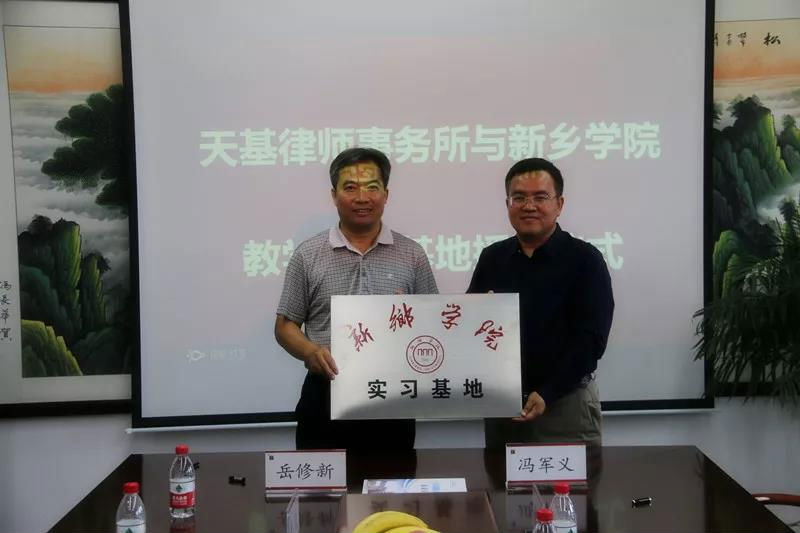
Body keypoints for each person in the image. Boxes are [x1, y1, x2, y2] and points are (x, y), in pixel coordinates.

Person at [275, 147, 438, 450]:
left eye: (372, 187)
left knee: (392, 481)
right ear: (334, 195)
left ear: (386, 195)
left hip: (393, 397)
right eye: (350, 188)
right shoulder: (308, 255)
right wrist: (310, 351)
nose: (362, 198)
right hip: (326, 393)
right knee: (321, 481)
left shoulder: (412, 254)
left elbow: (434, 322)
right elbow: (285, 325)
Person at [467, 158, 613, 447]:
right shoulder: (493, 258)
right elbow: (469, 326)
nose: (529, 206)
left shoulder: (585, 260)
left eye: (540, 197)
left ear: (559, 204)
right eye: (519, 197)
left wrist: (548, 392)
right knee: (499, 477)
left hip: (565, 406)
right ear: (507, 204)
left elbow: (591, 340)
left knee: (570, 480)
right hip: (504, 409)